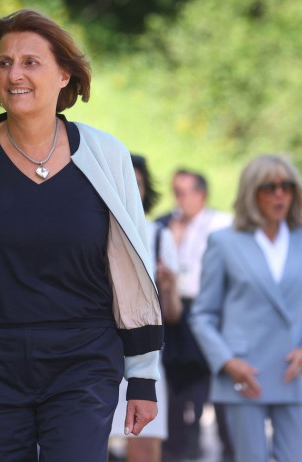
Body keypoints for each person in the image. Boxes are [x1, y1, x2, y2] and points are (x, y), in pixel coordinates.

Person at [0, 9, 163, 462]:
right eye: (4, 62)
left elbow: (130, 265)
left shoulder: (107, 155)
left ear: (65, 75)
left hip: (83, 360)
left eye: (30, 62)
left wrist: (142, 374)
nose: (14, 74)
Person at [190, 154, 302, 462]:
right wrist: (227, 361)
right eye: (269, 187)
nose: (280, 194)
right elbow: (202, 315)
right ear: (251, 193)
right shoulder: (225, 242)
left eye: (287, 186)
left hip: (290, 370)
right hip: (244, 373)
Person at [109, 155, 182, 462]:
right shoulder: (93, 227)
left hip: (146, 356)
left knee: (145, 447)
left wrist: (168, 286)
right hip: (99, 354)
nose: (130, 189)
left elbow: (173, 314)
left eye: (136, 183)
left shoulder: (158, 235)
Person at [157, 170, 234, 461]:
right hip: (177, 309)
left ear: (201, 194)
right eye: (176, 191)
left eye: (186, 192)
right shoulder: (166, 225)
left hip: (214, 309)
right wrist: (174, 241)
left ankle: (229, 447)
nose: (181, 199)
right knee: (180, 385)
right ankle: (182, 446)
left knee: (217, 381)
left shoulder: (222, 225)